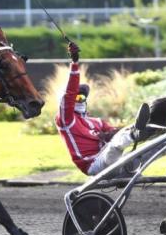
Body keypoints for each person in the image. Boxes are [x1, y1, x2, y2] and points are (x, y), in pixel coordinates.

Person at [55, 42, 150, 176]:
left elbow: (112, 131)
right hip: (93, 164)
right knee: (118, 141)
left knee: (149, 149)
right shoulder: (66, 121)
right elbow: (70, 94)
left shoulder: (97, 122)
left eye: (82, 97)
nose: (79, 99)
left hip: (109, 158)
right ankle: (135, 133)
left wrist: (112, 133)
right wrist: (74, 63)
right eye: (76, 98)